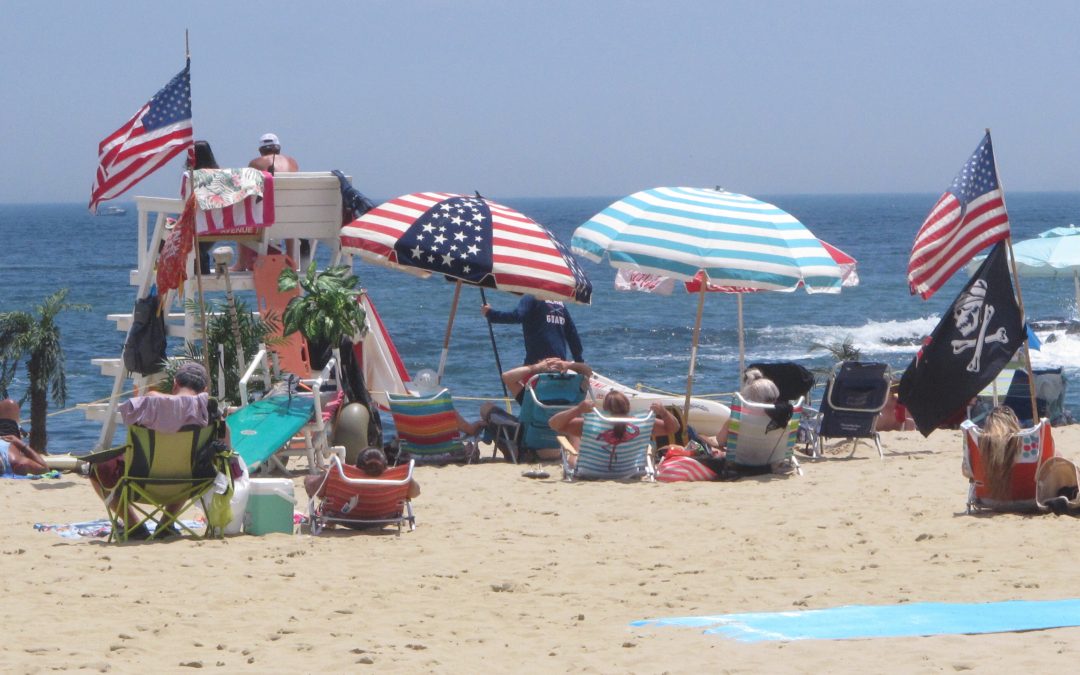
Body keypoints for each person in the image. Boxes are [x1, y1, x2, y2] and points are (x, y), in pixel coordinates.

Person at [88, 362, 220, 539]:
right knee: (186, 460)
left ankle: (133, 526)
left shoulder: (152, 401)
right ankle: (166, 523)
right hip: (189, 484)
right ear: (204, 389)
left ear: (175, 383)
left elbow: (129, 417)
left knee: (97, 467)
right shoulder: (209, 411)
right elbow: (227, 449)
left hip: (139, 484)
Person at [548, 390, 679, 458]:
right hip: (630, 472)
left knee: (575, 440)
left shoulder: (590, 424)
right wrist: (663, 412)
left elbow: (553, 423)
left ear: (604, 409)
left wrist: (578, 409)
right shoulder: (641, 423)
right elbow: (674, 428)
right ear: (628, 407)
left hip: (592, 471)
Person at [246, 133, 302, 268]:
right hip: (293, 218)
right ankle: (290, 257)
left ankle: (243, 262)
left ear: (260, 151)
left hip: (267, 218)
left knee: (244, 210)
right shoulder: (293, 163)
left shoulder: (255, 163)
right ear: (279, 149)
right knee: (288, 210)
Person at [482, 294, 583, 367]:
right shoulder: (560, 304)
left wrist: (491, 314)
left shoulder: (531, 297)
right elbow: (572, 335)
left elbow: (517, 316)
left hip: (538, 363)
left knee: (510, 380)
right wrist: (579, 361)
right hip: (559, 363)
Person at [707, 368, 787, 450]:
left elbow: (720, 441)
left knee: (702, 437)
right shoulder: (784, 418)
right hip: (773, 459)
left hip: (741, 460)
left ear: (750, 397)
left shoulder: (738, 418)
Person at [304, 446, 420, 500]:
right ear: (385, 465)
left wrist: (309, 479)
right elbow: (416, 493)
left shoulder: (342, 475)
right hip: (385, 517)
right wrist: (407, 477)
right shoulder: (396, 478)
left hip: (345, 517)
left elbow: (314, 490)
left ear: (357, 465)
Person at [971, 405, 1023, 501]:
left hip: (987, 500)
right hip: (1026, 497)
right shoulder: (1024, 442)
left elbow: (967, 472)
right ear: (1014, 421)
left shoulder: (979, 444)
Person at [0, 399, 50, 476]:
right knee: (9, 405)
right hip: (11, 436)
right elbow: (44, 468)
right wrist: (20, 444)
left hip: (8, 436)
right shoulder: (15, 461)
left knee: (8, 404)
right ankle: (18, 430)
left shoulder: (14, 460)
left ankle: (19, 430)